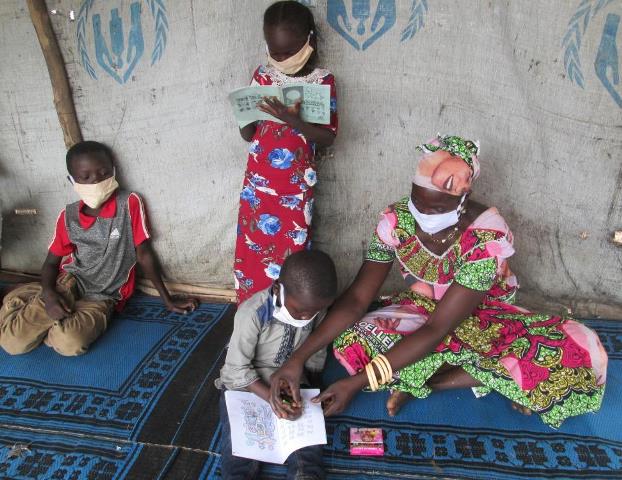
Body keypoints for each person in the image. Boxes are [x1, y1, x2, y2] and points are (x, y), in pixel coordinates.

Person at [269, 135, 608, 429]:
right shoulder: (397, 219)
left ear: (461, 199)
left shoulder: (485, 238)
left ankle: (428, 382)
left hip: (486, 318)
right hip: (426, 309)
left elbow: (437, 328)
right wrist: (297, 359)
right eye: (417, 200)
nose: (420, 215)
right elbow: (359, 297)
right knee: (352, 338)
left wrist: (357, 383)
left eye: (433, 208)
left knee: (576, 351)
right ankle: (485, 376)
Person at [0, 141, 199, 356]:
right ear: (72, 180)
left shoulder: (129, 203)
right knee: (13, 344)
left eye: (103, 173)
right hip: (70, 282)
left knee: (70, 344)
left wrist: (167, 300)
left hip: (104, 295)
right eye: (85, 177)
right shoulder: (68, 216)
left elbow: (144, 254)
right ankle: (36, 304)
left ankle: (28, 306)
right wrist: (49, 294)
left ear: (113, 172)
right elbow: (50, 263)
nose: (96, 181)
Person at [234, 0, 338, 304]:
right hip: (258, 183)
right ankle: (251, 306)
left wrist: (292, 119)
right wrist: (246, 114)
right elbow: (248, 134)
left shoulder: (323, 82)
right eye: (274, 52)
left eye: (288, 52)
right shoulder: (263, 77)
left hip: (295, 185)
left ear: (309, 42)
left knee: (293, 245)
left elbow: (328, 138)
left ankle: (290, 305)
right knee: (254, 244)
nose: (281, 59)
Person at [216, 250, 337, 480]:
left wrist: (309, 394)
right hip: (247, 385)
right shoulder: (252, 313)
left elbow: (315, 352)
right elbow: (233, 370)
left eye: (313, 313)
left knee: (306, 449)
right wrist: (269, 396)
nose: (305, 318)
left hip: (292, 382)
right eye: (300, 311)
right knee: (239, 447)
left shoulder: (316, 310)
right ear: (278, 288)